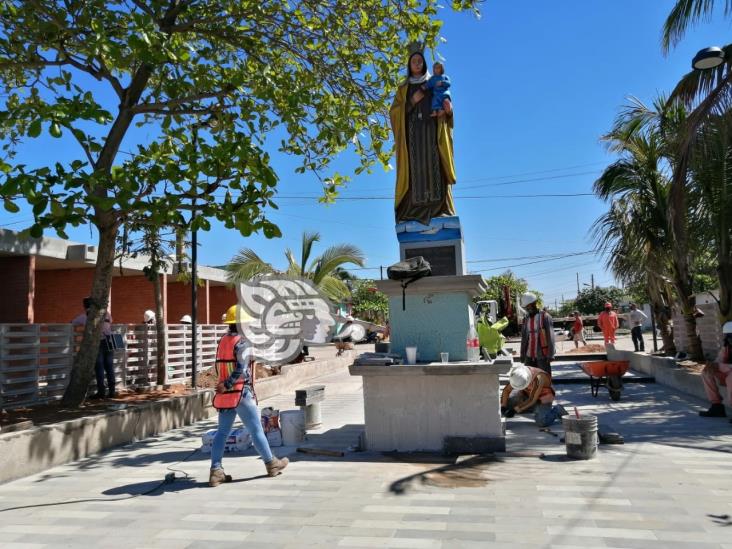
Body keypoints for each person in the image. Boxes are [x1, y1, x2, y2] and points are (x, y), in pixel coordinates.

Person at [209, 304, 289, 487]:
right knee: (256, 430)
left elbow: (222, 366)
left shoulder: (223, 341)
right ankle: (271, 464)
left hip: (225, 395)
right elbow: (241, 370)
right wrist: (228, 384)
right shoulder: (242, 342)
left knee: (222, 433)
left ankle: (216, 471)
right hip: (240, 392)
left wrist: (223, 386)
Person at [390, 48, 457, 225]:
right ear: (409, 65)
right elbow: (394, 112)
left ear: (425, 63)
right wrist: (412, 101)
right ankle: (411, 211)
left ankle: (440, 209)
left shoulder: (434, 82)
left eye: (420, 61)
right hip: (412, 135)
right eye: (414, 61)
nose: (417, 64)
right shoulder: (403, 89)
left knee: (435, 165)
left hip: (431, 132)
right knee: (415, 170)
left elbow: (445, 101)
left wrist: (448, 111)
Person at [71, 297, 115, 399]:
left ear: (84, 306)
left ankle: (101, 392)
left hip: (98, 343)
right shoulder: (106, 313)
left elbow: (72, 322)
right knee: (109, 367)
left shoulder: (85, 316)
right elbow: (111, 321)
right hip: (109, 341)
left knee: (99, 367)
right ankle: (112, 391)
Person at [501, 364, 568, 427]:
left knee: (542, 421)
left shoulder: (539, 378)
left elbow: (532, 399)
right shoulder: (518, 374)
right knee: (506, 402)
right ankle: (532, 408)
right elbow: (506, 390)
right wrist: (503, 406)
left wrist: (515, 410)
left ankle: (557, 410)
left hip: (542, 398)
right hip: (527, 395)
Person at [699, 321, 732, 419]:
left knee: (730, 379)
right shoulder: (727, 347)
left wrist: (720, 366)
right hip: (728, 371)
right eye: (728, 336)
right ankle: (716, 406)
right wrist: (713, 365)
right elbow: (719, 360)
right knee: (707, 372)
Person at [519, 293, 555, 376]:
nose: (528, 308)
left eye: (529, 306)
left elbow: (551, 336)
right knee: (529, 378)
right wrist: (522, 354)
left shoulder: (545, 317)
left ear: (535, 304)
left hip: (542, 355)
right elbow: (524, 338)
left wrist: (550, 354)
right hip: (529, 354)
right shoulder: (526, 318)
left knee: (544, 377)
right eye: (526, 307)